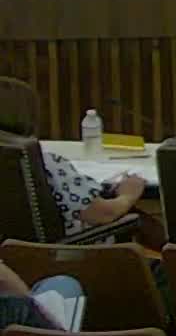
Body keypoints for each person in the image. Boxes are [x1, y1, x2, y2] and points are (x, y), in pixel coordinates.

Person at [0, 76, 148, 241]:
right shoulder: (47, 165)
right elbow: (104, 214)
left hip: (10, 252)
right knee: (142, 221)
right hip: (68, 252)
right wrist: (128, 195)